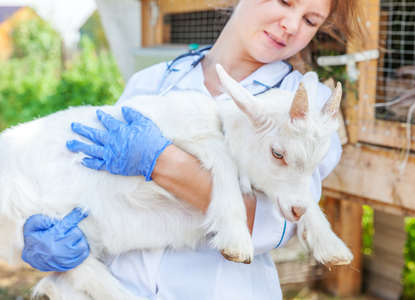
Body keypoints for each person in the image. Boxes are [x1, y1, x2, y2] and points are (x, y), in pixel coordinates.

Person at [21, 0, 361, 299]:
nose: (290, 26)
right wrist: (61, 237)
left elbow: (275, 225)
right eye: (285, 2)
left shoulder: (304, 109)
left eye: (310, 21)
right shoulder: (151, 81)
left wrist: (162, 161)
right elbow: (109, 191)